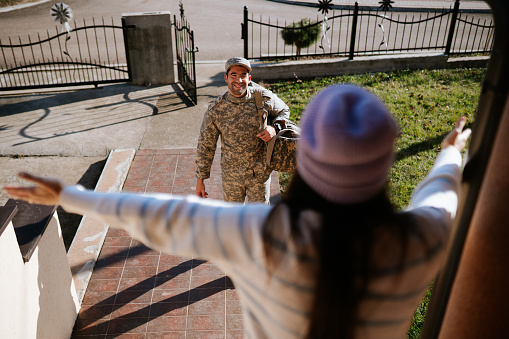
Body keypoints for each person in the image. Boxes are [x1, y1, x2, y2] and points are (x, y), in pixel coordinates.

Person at [4, 84, 471, 339]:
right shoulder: (421, 237)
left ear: (305, 159)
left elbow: (158, 215)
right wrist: (450, 153)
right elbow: (441, 195)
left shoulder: (255, 232)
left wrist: (72, 196)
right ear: (384, 165)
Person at [195, 57, 291, 204]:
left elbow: (284, 110)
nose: (238, 80)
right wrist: (200, 180)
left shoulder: (262, 97)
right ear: (226, 78)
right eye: (234, 75)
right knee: (233, 219)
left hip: (260, 175)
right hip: (232, 178)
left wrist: (274, 127)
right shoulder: (216, 110)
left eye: (243, 75)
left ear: (249, 78)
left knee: (258, 220)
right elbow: (206, 146)